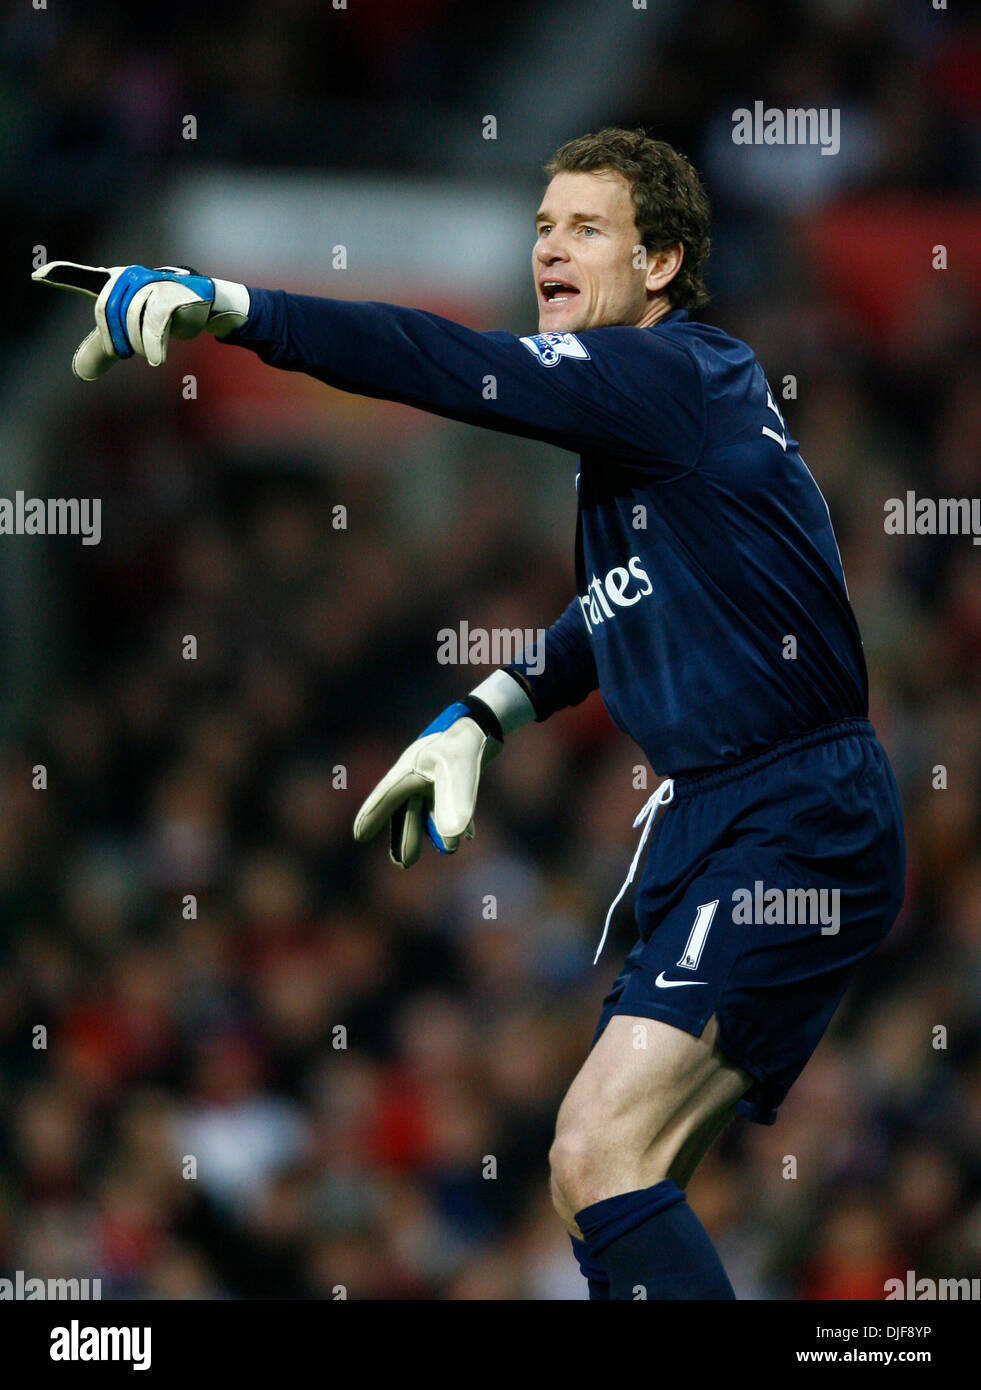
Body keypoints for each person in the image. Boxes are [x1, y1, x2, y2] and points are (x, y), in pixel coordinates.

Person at [34, 126, 906, 1301]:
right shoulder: (655, 431)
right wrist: (482, 716)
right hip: (736, 811)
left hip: (791, 810)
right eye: (541, 225)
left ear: (661, 263)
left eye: (584, 228)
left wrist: (232, 306)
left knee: (598, 1150)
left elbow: (449, 362)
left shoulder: (675, 375)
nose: (549, 246)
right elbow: (625, 601)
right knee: (609, 1171)